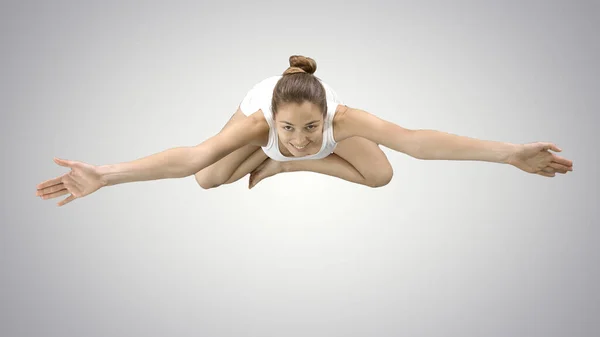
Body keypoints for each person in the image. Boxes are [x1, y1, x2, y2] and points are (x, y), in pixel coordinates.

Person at [35, 55, 574, 207]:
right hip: (250, 126)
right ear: (272, 119)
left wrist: (509, 154)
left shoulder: (344, 119)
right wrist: (106, 174)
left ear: (327, 118)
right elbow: (192, 157)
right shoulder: (257, 120)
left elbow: (420, 143)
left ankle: (280, 170)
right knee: (207, 180)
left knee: (382, 175)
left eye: (310, 130)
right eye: (288, 132)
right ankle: (266, 163)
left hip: (305, 126)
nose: (298, 136)